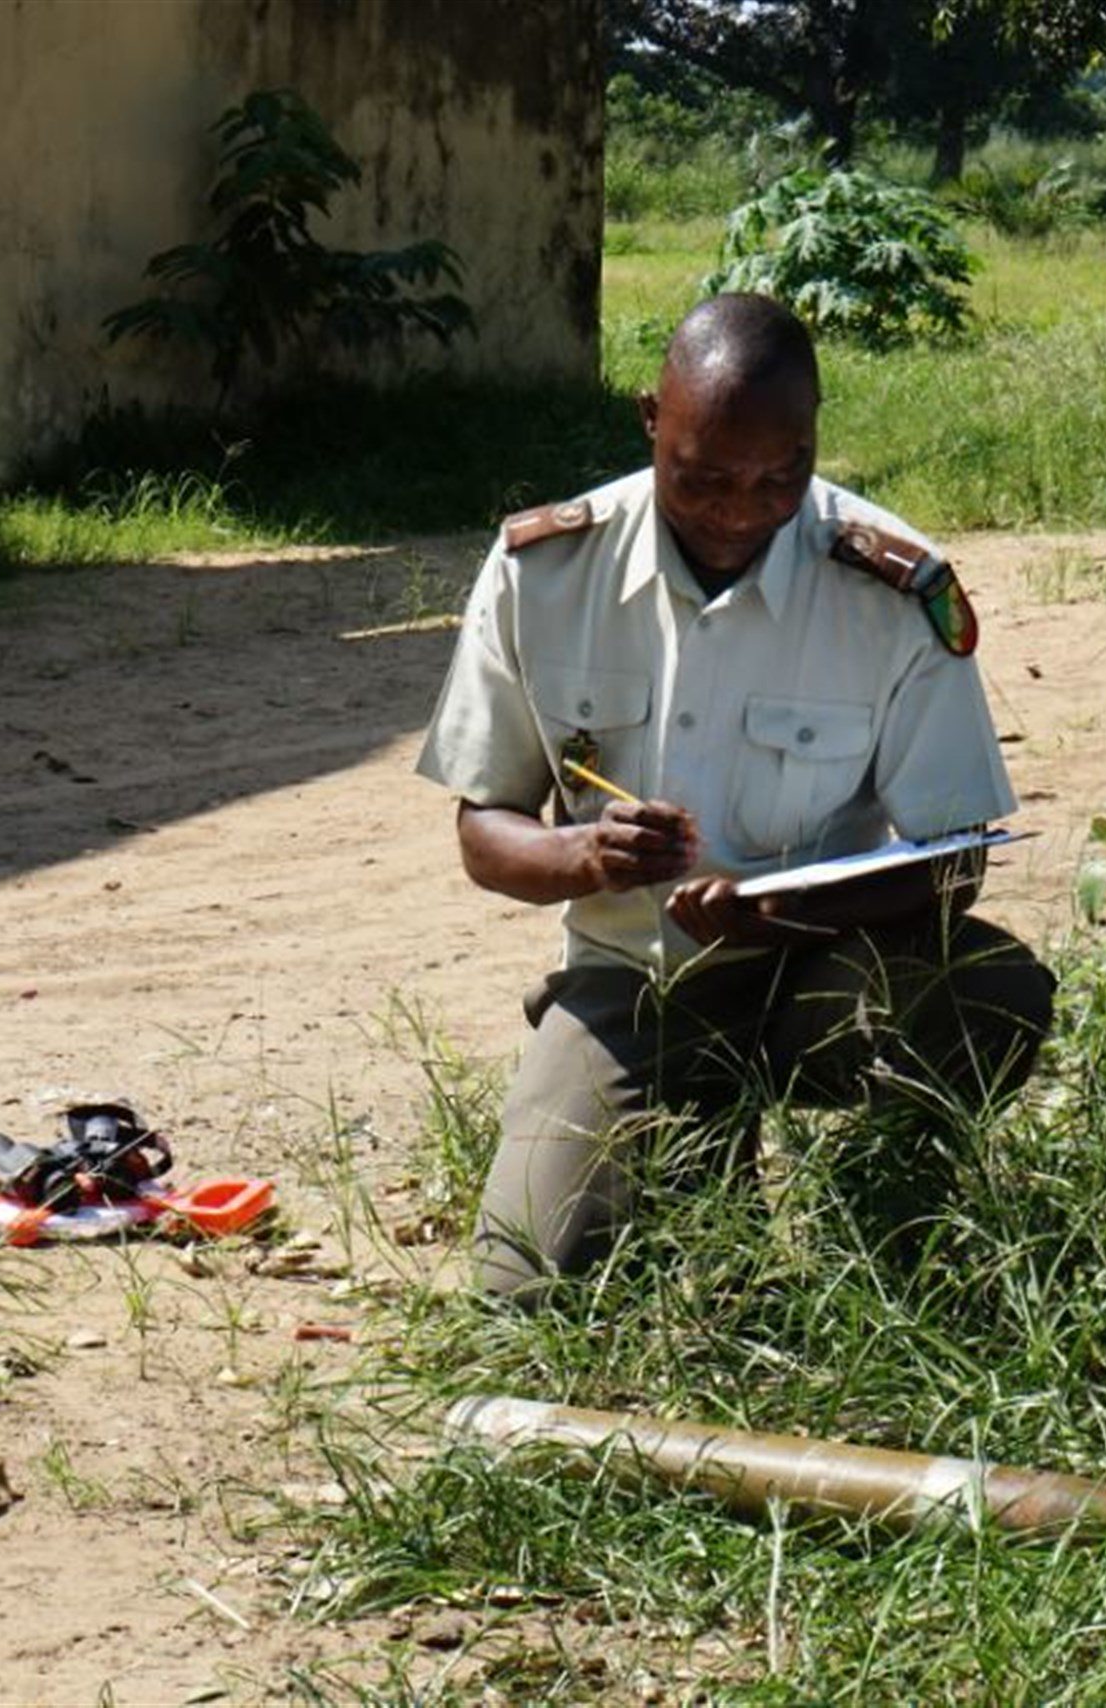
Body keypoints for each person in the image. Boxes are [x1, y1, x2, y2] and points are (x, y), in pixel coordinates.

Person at [416, 293, 1053, 1300]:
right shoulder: (545, 572)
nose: (739, 507)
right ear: (647, 422)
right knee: (530, 1294)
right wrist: (582, 857)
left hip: (824, 973)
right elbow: (482, 829)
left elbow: (956, 855)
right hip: (635, 982)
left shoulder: (887, 587)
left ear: (812, 442)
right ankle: (681, 1137)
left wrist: (791, 908)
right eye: (703, 475)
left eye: (778, 476)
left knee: (990, 990)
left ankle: (886, 1220)